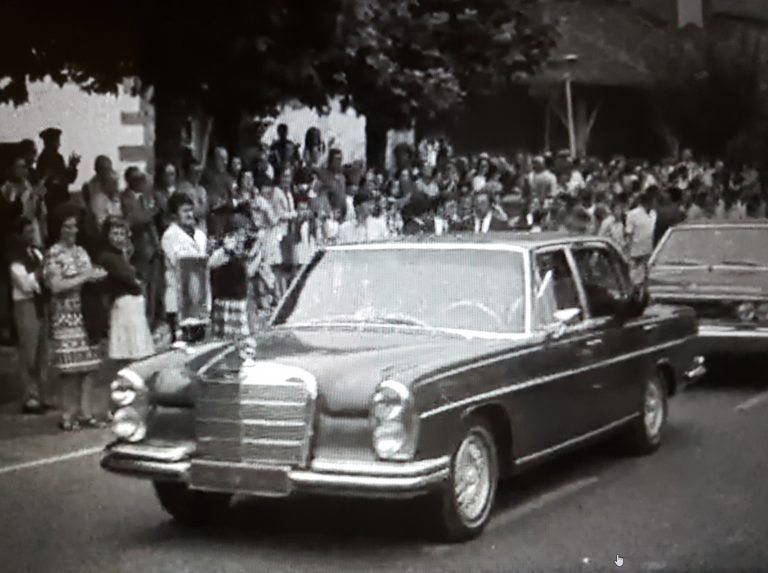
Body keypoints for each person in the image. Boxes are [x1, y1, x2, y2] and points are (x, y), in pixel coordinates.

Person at [43, 204, 107, 431]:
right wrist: (84, 277)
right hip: (65, 316)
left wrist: (96, 276)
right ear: (59, 229)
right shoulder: (54, 254)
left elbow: (90, 275)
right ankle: (68, 415)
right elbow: (55, 285)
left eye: (74, 226)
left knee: (89, 367)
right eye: (67, 227)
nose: (72, 231)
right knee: (70, 369)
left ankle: (86, 412)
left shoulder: (81, 252)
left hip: (86, 315)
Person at [8, 217, 50, 413]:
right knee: (29, 352)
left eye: (32, 231)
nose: (31, 235)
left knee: (42, 351)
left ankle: (41, 394)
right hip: (25, 304)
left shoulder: (37, 253)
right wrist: (40, 273)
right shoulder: (14, 257)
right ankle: (30, 397)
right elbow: (24, 284)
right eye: (27, 232)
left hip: (40, 303)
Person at [98, 217, 154, 363]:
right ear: (107, 235)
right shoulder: (108, 256)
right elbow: (128, 276)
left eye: (122, 234)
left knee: (137, 347)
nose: (118, 238)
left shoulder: (123, 254)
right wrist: (136, 280)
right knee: (129, 347)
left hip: (134, 302)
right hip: (124, 302)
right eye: (115, 234)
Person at [161, 193, 208, 343]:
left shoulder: (200, 235)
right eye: (184, 211)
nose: (189, 214)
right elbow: (183, 262)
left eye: (191, 210)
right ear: (174, 215)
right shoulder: (170, 236)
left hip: (199, 298)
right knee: (183, 345)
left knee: (200, 343)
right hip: (180, 299)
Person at [121, 168, 164, 329]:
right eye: (141, 181)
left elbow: (151, 224)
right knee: (143, 288)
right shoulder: (126, 198)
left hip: (151, 249)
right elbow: (135, 220)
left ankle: (152, 320)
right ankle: (144, 323)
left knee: (154, 288)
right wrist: (153, 211)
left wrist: (157, 244)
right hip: (139, 251)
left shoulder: (143, 197)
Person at [208, 227, 251, 339]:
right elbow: (211, 265)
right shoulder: (219, 254)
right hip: (223, 296)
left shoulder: (242, 256)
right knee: (222, 334)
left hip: (237, 297)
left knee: (238, 333)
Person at [36, 127, 80, 224]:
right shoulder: (50, 159)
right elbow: (62, 179)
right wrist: (71, 168)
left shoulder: (48, 158)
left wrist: (72, 167)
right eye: (57, 141)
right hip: (54, 203)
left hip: (57, 201)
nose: (59, 144)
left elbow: (66, 179)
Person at [626, 190, 657, 285]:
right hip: (636, 253)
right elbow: (629, 234)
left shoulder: (654, 214)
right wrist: (629, 253)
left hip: (650, 252)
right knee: (635, 280)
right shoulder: (632, 214)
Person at [203, 147, 235, 238]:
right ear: (215, 159)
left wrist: (227, 201)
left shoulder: (229, 178)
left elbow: (235, 197)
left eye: (226, 159)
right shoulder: (207, 177)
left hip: (228, 216)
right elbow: (209, 200)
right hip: (214, 217)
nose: (225, 162)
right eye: (221, 159)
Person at [178, 156, 209, 234]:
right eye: (195, 172)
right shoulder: (182, 190)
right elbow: (192, 212)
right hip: (188, 231)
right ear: (188, 173)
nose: (198, 175)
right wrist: (200, 208)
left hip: (202, 230)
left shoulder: (202, 190)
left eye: (200, 172)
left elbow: (206, 210)